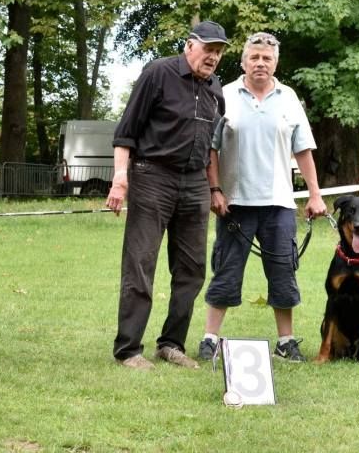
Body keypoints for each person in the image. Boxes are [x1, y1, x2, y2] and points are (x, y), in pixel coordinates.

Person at [107, 20, 230, 370]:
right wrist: (120, 178)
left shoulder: (215, 89)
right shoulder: (158, 73)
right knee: (140, 264)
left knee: (192, 269)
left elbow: (209, 147)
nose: (213, 57)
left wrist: (214, 187)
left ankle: (171, 344)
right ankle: (128, 349)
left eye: (219, 52)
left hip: (194, 185)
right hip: (152, 176)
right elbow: (126, 130)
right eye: (208, 49)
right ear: (190, 45)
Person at [197, 32, 326, 363]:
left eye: (267, 58)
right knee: (226, 271)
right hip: (234, 204)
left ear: (275, 63)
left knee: (283, 272)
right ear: (243, 62)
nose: (260, 63)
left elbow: (304, 150)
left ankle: (286, 342)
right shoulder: (223, 95)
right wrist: (215, 190)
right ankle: (210, 339)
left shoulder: (289, 98)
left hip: (279, 204)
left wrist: (314, 195)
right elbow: (211, 149)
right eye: (254, 57)